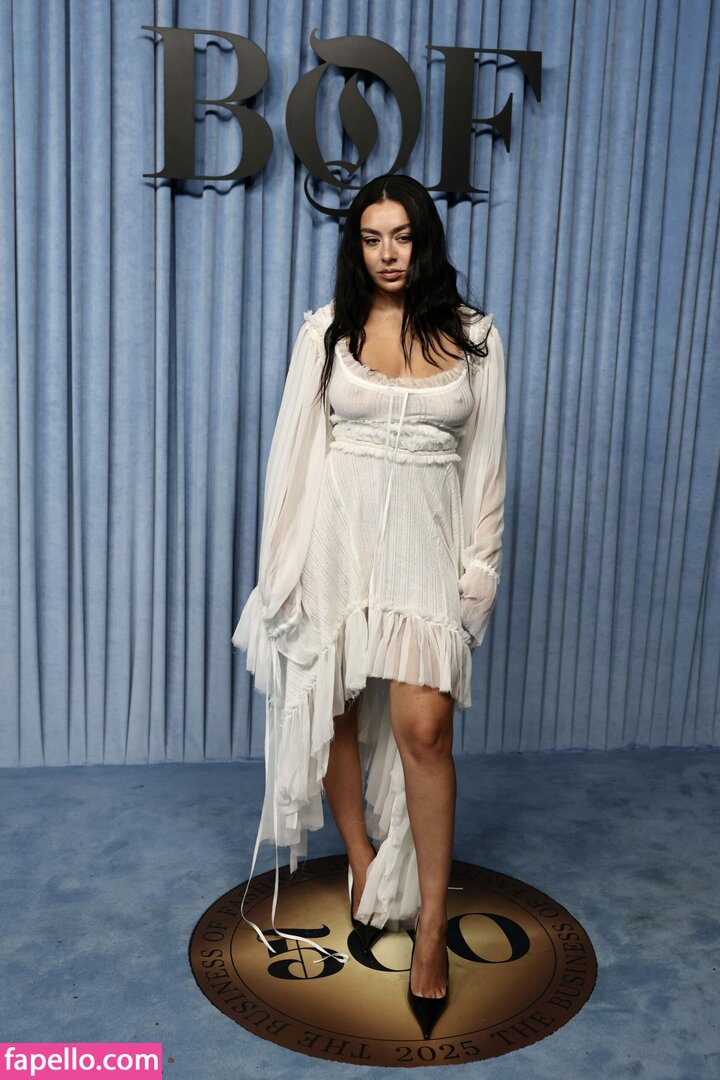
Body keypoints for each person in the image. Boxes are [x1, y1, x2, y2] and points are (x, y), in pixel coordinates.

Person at [232, 173, 507, 1040]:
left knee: (427, 729)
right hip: (336, 546)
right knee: (335, 710)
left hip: (425, 552)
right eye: (371, 238)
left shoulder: (477, 337)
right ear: (357, 247)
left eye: (403, 236)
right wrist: (281, 570)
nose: (389, 254)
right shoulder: (327, 332)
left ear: (425, 241)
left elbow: (487, 467)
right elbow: (293, 457)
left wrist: (479, 574)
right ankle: (359, 855)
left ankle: (431, 926)